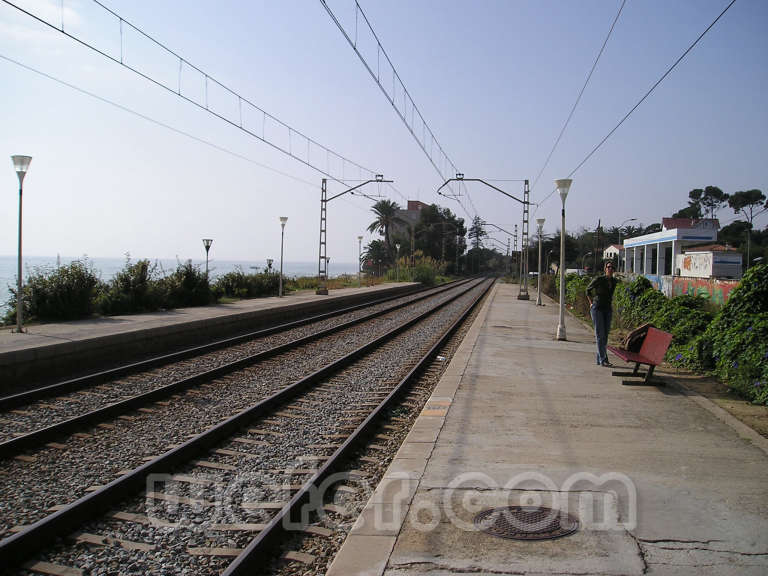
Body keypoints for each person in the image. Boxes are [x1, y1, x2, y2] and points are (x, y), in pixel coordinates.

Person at [586, 261, 618, 366]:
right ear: (605, 269)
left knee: (605, 334)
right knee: (600, 335)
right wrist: (591, 303)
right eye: (608, 267)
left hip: (607, 309)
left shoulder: (614, 281)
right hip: (597, 308)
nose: (610, 269)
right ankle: (603, 359)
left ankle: (600, 358)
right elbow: (588, 290)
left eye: (612, 268)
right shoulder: (599, 279)